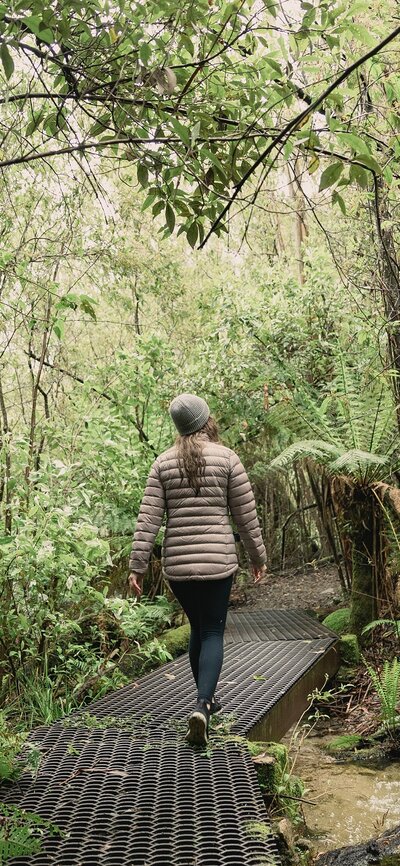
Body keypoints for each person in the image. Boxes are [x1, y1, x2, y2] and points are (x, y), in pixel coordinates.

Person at [128, 393, 267, 745]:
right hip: (218, 563)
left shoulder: (162, 464)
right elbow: (246, 516)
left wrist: (138, 567)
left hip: (178, 566)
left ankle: (208, 699)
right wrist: (258, 557)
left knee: (197, 628)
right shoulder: (228, 459)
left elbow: (148, 521)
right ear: (207, 421)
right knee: (213, 632)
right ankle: (203, 706)